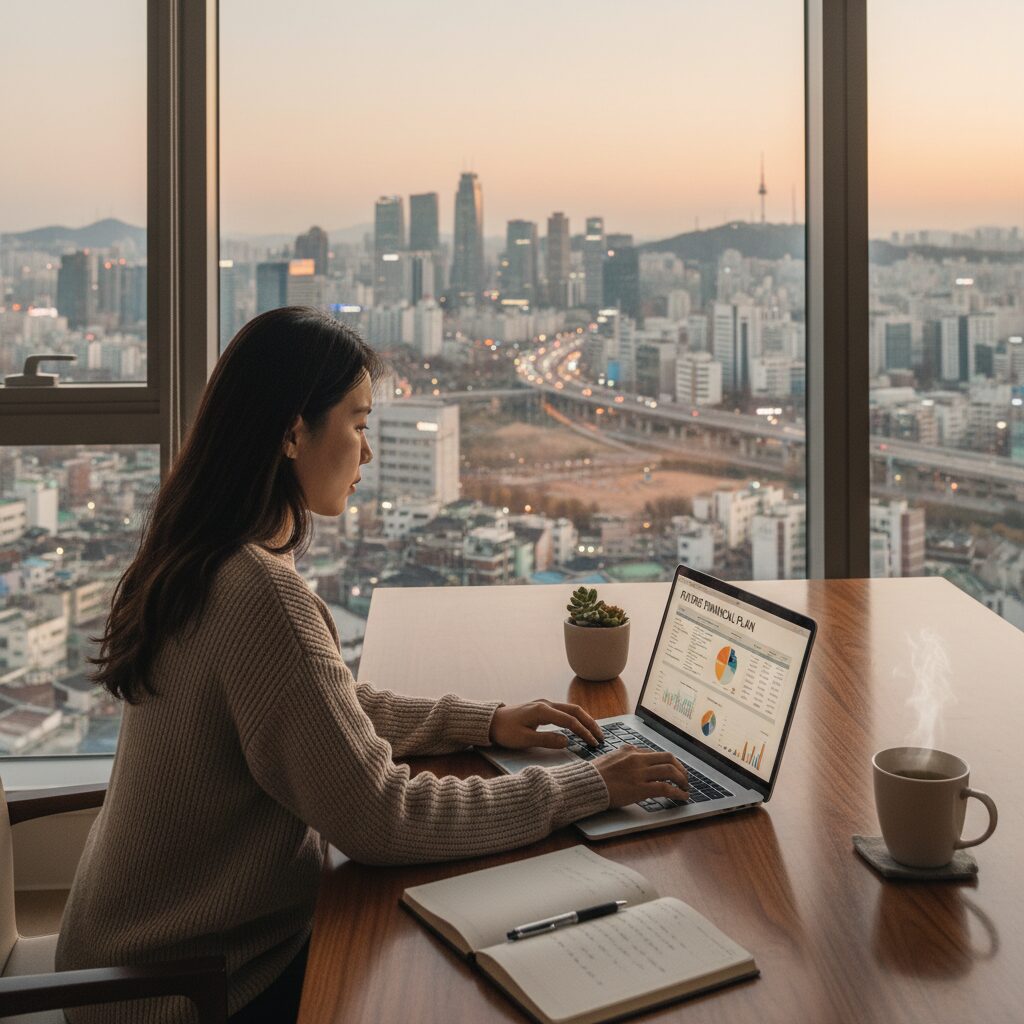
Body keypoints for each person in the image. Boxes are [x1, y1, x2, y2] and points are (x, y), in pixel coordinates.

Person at [56, 307, 689, 1023]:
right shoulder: (259, 595)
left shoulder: (201, 557)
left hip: (128, 969)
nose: (368, 452)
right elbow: (383, 818)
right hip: (189, 995)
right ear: (293, 432)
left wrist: (484, 722)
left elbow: (321, 710)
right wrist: (584, 787)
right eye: (357, 424)